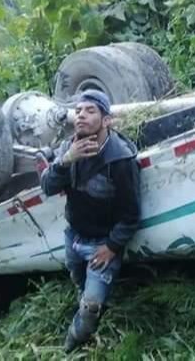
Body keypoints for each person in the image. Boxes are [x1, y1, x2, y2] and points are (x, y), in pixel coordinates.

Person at [41, 89, 141, 352]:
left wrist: (111, 247)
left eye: (90, 111)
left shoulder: (120, 158)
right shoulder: (68, 147)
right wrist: (65, 161)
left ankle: (71, 344)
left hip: (101, 244)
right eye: (78, 111)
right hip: (73, 236)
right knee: (78, 281)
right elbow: (47, 187)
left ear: (107, 120)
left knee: (91, 306)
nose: (81, 116)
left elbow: (131, 214)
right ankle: (85, 294)